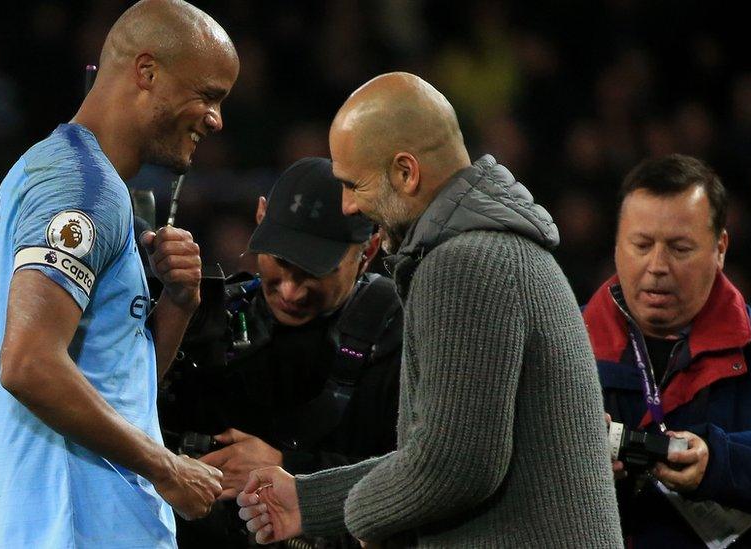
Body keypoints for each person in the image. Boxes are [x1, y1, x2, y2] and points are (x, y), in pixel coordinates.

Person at [237, 72, 622, 547]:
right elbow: (448, 451)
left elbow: (456, 465)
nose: (348, 206)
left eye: (354, 184)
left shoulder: (463, 263)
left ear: (406, 172)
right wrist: (309, 501)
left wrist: (359, 517)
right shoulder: (493, 250)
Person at [0, 1, 239, 547]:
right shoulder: (82, 189)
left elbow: (115, 388)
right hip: (80, 530)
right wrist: (168, 468)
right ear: (147, 72)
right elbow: (27, 364)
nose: (216, 119)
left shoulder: (56, 171)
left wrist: (177, 305)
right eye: (208, 95)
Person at [159, 157, 402, 548]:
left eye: (316, 272)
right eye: (280, 261)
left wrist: (290, 470)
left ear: (369, 250)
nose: (290, 290)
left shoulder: (399, 340)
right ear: (260, 217)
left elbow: (426, 477)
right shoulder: (207, 322)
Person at [582, 154, 751, 547]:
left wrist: (720, 462)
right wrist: (571, 467)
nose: (657, 265)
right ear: (616, 245)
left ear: (720, 248)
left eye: (680, 248)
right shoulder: (565, 347)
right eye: (642, 245)